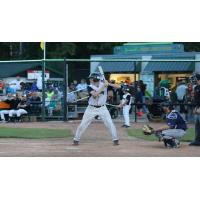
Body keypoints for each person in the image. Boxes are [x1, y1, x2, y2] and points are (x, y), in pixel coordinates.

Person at [73, 72, 119, 145]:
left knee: (110, 123)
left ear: (95, 79)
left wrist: (109, 84)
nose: (90, 80)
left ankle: (115, 139)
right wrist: (104, 86)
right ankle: (76, 139)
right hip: (91, 108)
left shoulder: (104, 84)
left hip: (103, 108)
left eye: (91, 78)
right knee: (83, 124)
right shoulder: (90, 86)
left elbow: (118, 86)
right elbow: (95, 95)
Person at [189, 73, 200, 146]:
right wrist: (196, 107)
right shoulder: (196, 87)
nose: (193, 80)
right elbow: (196, 100)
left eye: (195, 78)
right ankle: (197, 140)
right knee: (197, 125)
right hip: (197, 108)